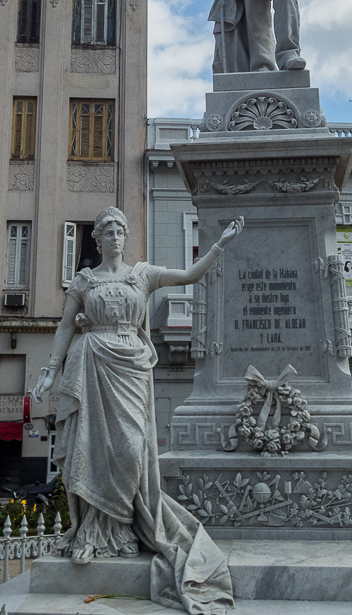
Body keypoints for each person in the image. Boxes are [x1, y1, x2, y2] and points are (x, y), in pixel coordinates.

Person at [32, 206, 241, 614]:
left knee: (130, 449)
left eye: (120, 230)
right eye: (107, 231)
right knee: (89, 449)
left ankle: (125, 526)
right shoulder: (85, 280)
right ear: (97, 239)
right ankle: (93, 534)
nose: (114, 236)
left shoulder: (142, 274)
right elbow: (64, 327)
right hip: (91, 363)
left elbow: (188, 276)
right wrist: (49, 371)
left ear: (126, 237)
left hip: (129, 366)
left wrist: (218, 246)